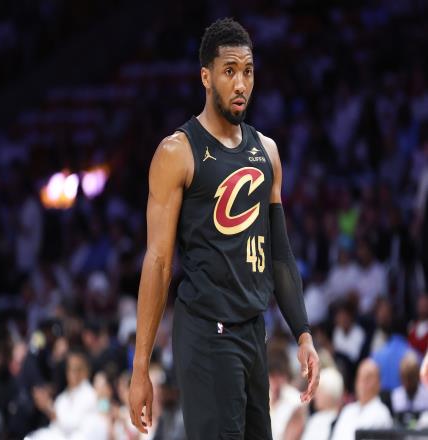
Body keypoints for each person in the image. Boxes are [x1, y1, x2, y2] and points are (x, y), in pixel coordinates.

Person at [128, 18, 320, 439]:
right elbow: (158, 263)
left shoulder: (266, 151)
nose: (240, 84)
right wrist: (140, 367)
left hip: (253, 331)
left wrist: (303, 333)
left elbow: (280, 254)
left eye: (247, 71)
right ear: (205, 76)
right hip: (206, 332)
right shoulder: (177, 152)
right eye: (229, 71)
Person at [331, 358, 393, 440]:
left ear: (379, 383)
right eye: (360, 377)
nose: (362, 382)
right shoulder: (347, 410)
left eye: (368, 378)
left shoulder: (382, 414)